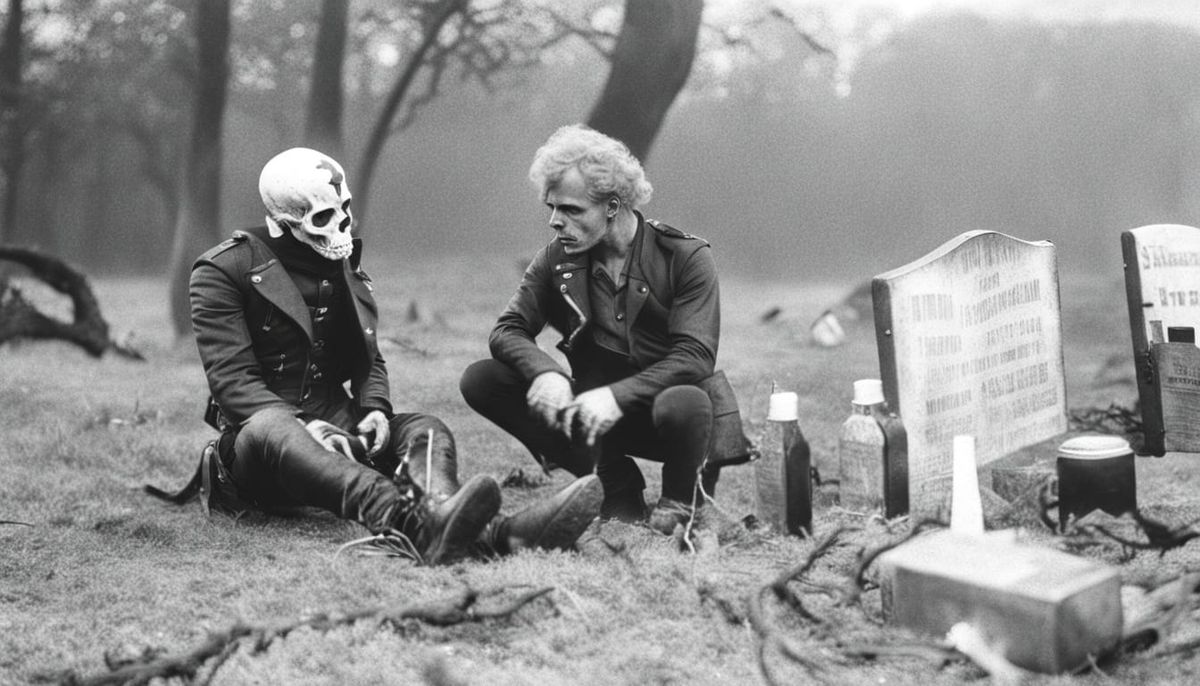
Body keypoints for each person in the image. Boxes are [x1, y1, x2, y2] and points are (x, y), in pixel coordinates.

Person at [188, 147, 602, 565]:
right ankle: (417, 521)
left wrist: (373, 409)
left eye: (344, 210)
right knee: (273, 427)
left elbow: (367, 357)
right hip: (258, 451)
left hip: (340, 431)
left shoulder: (339, 260)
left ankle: (485, 529)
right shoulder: (223, 270)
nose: (341, 227)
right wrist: (306, 425)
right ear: (282, 222)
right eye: (323, 217)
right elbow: (233, 384)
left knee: (424, 427)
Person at [460, 125, 752, 534]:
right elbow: (508, 330)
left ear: (612, 206)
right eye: (551, 208)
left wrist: (615, 397)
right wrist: (546, 374)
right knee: (483, 379)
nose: (555, 222)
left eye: (571, 210)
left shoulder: (684, 257)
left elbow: (695, 357)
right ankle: (616, 485)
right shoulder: (555, 260)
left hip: (676, 420)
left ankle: (680, 501)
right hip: (594, 417)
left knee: (686, 400)